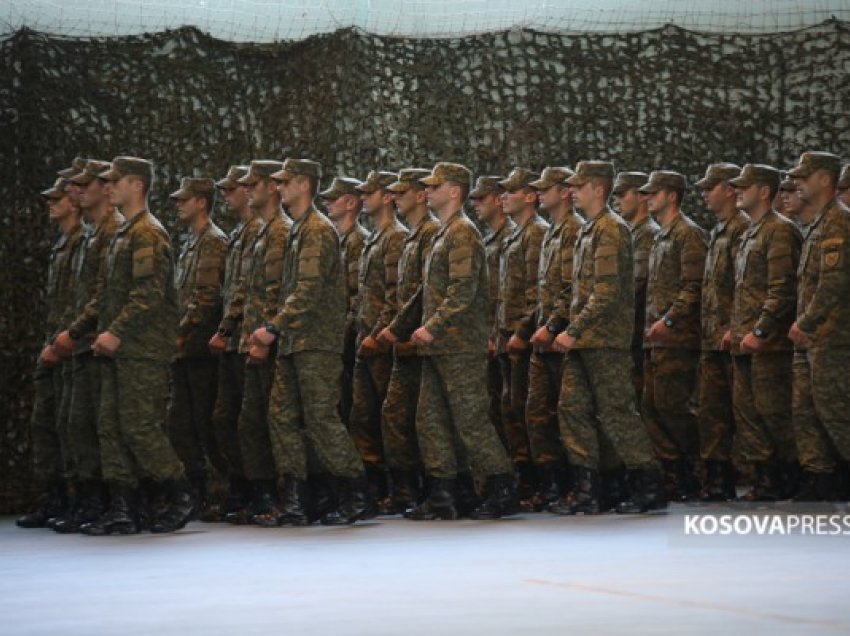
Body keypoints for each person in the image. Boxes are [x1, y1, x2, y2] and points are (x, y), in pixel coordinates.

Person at [382, 162, 518, 520]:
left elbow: (462, 290)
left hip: (458, 345)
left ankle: (502, 485)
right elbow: (429, 290)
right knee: (432, 421)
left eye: (435, 186)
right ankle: (446, 491)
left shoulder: (462, 233)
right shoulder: (445, 232)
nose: (428, 191)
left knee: (471, 420)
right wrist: (399, 327)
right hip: (438, 346)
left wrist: (433, 326)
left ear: (454, 191)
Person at [71, 156, 194, 535]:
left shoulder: (147, 233)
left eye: (116, 181)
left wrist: (117, 331)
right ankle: (125, 506)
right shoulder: (125, 233)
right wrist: (89, 331)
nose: (109, 187)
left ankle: (179, 494)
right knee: (111, 426)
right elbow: (109, 293)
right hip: (121, 348)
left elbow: (149, 294)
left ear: (137, 184)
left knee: (140, 426)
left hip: (142, 348)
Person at [251, 158, 374, 526]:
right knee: (282, 417)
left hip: (315, 341)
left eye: (286, 182)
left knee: (321, 418)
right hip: (295, 340)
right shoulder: (301, 229)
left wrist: (272, 327)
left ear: (304, 184)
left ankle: (356, 491)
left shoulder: (317, 230)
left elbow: (308, 289)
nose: (280, 188)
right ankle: (297, 497)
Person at [551, 160, 666, 515]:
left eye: (579, 185)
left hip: (603, 340)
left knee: (617, 413)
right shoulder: (590, 230)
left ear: (598, 189)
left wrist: (573, 330)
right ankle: (590, 487)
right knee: (572, 409)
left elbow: (606, 292)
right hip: (585, 340)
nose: (573, 191)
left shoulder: (611, 230)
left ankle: (649, 483)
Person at [51, 160, 123, 533]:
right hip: (84, 343)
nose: (76, 192)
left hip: (99, 342)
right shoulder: (94, 234)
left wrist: (74, 332)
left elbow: (107, 293)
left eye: (84, 185)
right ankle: (90, 500)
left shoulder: (113, 232)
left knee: (99, 425)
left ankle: (112, 502)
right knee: (77, 424)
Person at [16, 176, 84, 528]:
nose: (51, 204)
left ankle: (83, 500)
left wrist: (68, 338)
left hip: (74, 346)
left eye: (58, 198)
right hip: (57, 344)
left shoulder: (84, 242)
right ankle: (58, 498)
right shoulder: (65, 245)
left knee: (75, 427)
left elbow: (89, 299)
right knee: (47, 424)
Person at [640, 170, 707, 501]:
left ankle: (698, 469)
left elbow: (694, 286)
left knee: (674, 407)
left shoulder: (687, 234)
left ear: (672, 195)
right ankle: (674, 470)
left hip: (677, 338)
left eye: (656, 192)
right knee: (651, 406)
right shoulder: (662, 235)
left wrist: (669, 320)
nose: (649, 196)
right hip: (657, 338)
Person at [788, 151, 850, 501]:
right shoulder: (820, 223)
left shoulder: (839, 222)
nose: (797, 182)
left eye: (804, 176)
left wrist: (807, 321)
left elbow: (834, 282)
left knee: (836, 408)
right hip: (811, 338)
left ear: (825, 179)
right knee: (807, 409)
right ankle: (821, 476)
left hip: (832, 336)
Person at [377, 168, 439, 513]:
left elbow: (423, 291)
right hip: (406, 343)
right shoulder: (414, 235)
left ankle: (430, 489)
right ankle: (408, 489)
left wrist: (397, 328)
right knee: (397, 416)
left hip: (419, 341)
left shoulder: (429, 233)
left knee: (422, 420)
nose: (397, 198)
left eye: (404, 192)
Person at [233, 160, 291, 523]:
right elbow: (247, 291)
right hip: (253, 339)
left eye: (254, 184)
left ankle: (279, 497)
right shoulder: (262, 231)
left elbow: (277, 291)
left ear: (272, 187)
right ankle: (262, 496)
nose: (247, 190)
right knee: (250, 422)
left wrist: (266, 335)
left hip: (270, 342)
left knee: (275, 421)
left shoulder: (280, 232)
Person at [167, 177, 228, 518]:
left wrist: (181, 331)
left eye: (184, 199)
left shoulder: (213, 243)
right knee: (182, 426)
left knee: (206, 423)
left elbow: (206, 299)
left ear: (201, 202)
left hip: (200, 349)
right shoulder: (192, 243)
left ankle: (222, 491)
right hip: (185, 350)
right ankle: (197, 492)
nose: (179, 204)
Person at [525, 166, 582, 510]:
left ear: (563, 193)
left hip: (561, 340)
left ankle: (574, 485)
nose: (540, 193)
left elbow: (570, 288)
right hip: (545, 337)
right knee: (539, 414)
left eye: (546, 189)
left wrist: (553, 326)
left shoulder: (573, 230)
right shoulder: (553, 232)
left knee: (567, 414)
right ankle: (552, 483)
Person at [349, 171, 408, 501]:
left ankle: (398, 487)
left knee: (389, 416)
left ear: (386, 198)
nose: (363, 198)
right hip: (367, 342)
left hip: (381, 344)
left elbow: (394, 295)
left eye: (369, 193)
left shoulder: (395, 238)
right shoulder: (377, 238)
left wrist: (377, 336)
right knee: (363, 415)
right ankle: (375, 484)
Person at [208, 165, 261, 522]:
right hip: (237, 339)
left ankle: (263, 493)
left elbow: (251, 289)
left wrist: (227, 329)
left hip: (252, 337)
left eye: (237, 188)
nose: (228, 194)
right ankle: (243, 489)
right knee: (226, 420)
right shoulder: (242, 233)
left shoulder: (264, 231)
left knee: (251, 422)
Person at [694, 163, 749, 501]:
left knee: (741, 410)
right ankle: (718, 478)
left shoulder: (743, 229)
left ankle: (755, 476)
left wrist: (734, 325)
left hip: (733, 336)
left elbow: (746, 287)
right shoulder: (719, 230)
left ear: (729, 189)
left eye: (710, 187)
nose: (704, 193)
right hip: (713, 338)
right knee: (712, 410)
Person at [495, 167, 549, 506]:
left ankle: (542, 483)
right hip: (509, 338)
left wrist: (522, 331)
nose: (504, 197)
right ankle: (527, 480)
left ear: (529, 196)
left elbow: (536, 291)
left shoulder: (536, 234)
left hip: (525, 340)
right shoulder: (517, 235)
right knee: (513, 409)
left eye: (510, 191)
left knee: (533, 412)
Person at [320, 177, 369, 429]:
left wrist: (343, 335)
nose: (327, 203)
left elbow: (356, 295)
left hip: (345, 339)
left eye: (333, 198)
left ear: (350, 203)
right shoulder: (338, 240)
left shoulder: (357, 241)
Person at [469, 176, 512, 451]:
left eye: (481, 198)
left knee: (511, 408)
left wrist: (495, 334)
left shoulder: (513, 237)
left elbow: (510, 294)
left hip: (506, 336)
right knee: (495, 407)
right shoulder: (489, 240)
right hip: (491, 336)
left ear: (498, 199)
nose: (475, 204)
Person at [611, 171, 656, 406]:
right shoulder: (630, 233)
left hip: (637, 333)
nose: (616, 200)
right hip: (628, 334)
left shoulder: (648, 234)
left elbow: (636, 285)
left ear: (640, 196)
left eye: (621, 194)